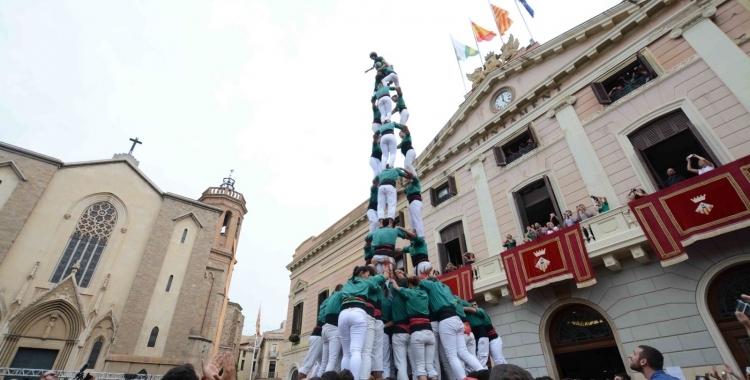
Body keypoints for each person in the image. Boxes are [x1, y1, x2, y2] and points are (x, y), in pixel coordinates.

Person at [419, 274, 485, 380]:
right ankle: (483, 371)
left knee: (451, 356)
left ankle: (462, 378)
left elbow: (417, 281)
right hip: (457, 320)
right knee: (463, 353)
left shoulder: (432, 286)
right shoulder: (446, 288)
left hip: (445, 320)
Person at [339, 266, 388, 380]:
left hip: (343, 313)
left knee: (347, 353)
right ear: (362, 273)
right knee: (361, 351)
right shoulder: (367, 281)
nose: (368, 276)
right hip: (359, 313)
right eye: (367, 274)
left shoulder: (347, 284)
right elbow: (379, 283)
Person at [391, 271, 438, 380]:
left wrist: (393, 279)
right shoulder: (425, 294)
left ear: (410, 285)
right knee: (430, 367)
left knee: (420, 367)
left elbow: (396, 287)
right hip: (429, 332)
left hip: (417, 333)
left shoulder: (409, 292)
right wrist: (407, 275)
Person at [300, 297, 329, 379]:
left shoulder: (325, 302)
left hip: (317, 335)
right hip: (319, 337)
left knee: (321, 364)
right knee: (308, 365)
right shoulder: (331, 302)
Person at [389, 275, 411, 380]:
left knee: (401, 364)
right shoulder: (410, 296)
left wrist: (392, 277)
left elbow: (390, 284)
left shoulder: (395, 295)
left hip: (398, 331)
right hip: (410, 331)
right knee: (414, 364)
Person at [322, 285, 345, 373]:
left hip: (325, 329)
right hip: (334, 329)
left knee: (325, 363)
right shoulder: (339, 295)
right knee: (332, 360)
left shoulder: (329, 299)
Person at [460, 298, 488, 369]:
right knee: (474, 358)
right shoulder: (466, 314)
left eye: (475, 305)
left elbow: (473, 310)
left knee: (482, 358)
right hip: (473, 337)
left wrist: (461, 307)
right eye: (471, 305)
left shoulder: (480, 310)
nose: (473, 306)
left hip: (482, 335)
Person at [401, 168, 423, 236]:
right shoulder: (409, 187)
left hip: (415, 201)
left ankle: (421, 235)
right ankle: (414, 234)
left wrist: (402, 169)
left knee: (417, 218)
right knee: (412, 222)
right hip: (411, 203)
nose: (405, 179)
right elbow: (401, 191)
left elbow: (411, 174)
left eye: (406, 177)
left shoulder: (416, 181)